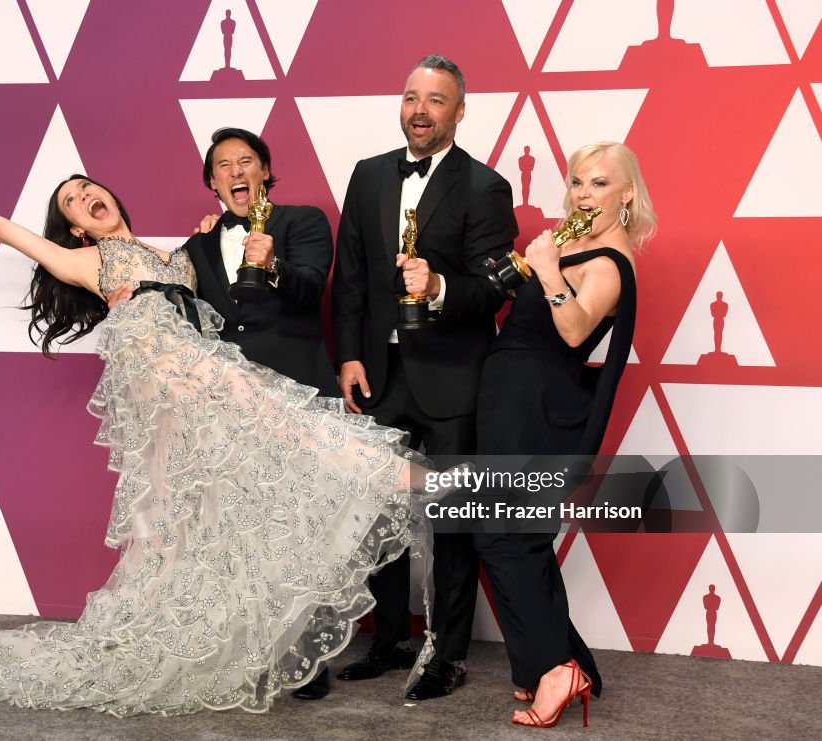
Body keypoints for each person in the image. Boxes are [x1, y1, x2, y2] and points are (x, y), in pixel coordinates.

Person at [0, 174, 435, 716]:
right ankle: (389, 472)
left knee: (224, 506)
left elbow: (220, 281)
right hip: (167, 380)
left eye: (88, 187)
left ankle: (262, 625)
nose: (85, 197)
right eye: (71, 201)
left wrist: (207, 232)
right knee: (273, 424)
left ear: (110, 196)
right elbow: (5, 231)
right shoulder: (90, 262)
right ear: (76, 229)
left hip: (203, 372)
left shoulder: (175, 253)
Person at [331, 54, 517, 693]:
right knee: (380, 516)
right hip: (379, 374)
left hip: (451, 380)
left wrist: (438, 286)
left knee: (452, 519)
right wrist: (350, 355)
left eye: (436, 100)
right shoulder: (368, 175)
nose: (420, 110)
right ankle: (387, 639)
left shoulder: (485, 186)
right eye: (412, 96)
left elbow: (492, 289)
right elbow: (349, 275)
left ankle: (449, 654)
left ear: (459, 112)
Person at [465, 141, 656, 727]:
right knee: (517, 536)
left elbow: (573, 332)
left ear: (627, 194)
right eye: (577, 181)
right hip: (512, 399)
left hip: (537, 407)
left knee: (504, 536)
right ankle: (554, 664)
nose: (584, 193)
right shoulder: (578, 244)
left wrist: (546, 267)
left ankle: (555, 668)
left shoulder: (611, 262)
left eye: (599, 183)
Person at [180, 127, 339, 398]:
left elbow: (312, 288)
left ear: (264, 171)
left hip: (300, 389)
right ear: (213, 182)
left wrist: (272, 265)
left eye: (245, 161)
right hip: (231, 398)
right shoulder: (197, 245)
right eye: (224, 165)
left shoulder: (303, 220)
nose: (236, 172)